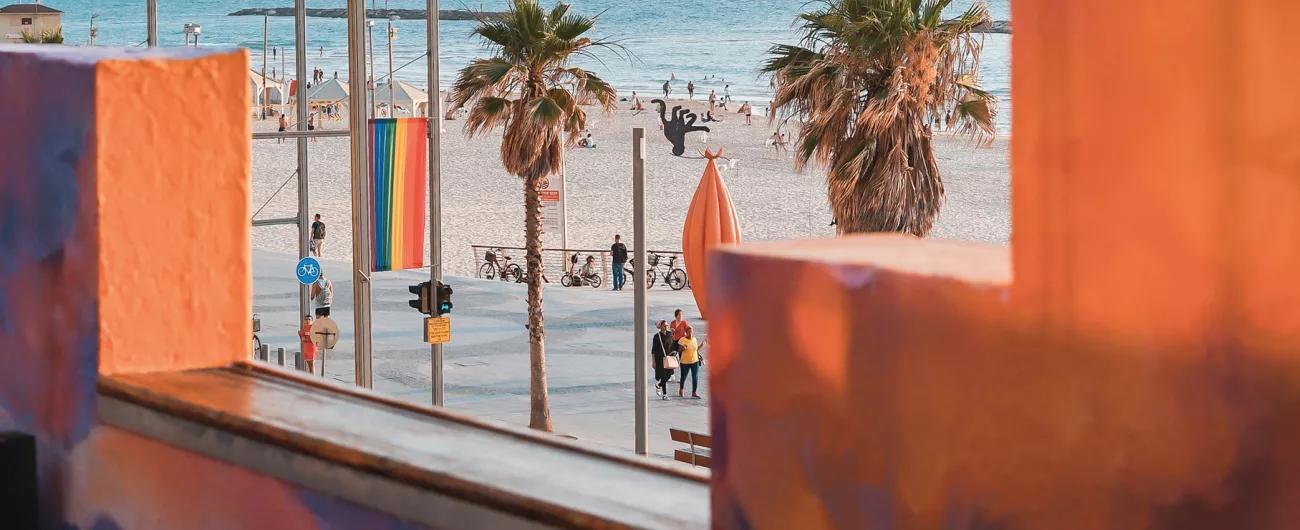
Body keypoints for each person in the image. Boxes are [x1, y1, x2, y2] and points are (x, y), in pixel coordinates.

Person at [650, 320, 676, 398]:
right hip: (660, 359)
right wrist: (653, 361)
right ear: (660, 326)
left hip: (669, 358)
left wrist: (674, 353)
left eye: (666, 325)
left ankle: (659, 385)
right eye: (664, 325)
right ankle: (665, 394)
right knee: (663, 376)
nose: (666, 326)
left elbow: (672, 345)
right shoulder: (657, 336)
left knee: (669, 375)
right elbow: (653, 350)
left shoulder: (670, 334)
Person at [677, 326, 704, 398]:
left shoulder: (694, 339)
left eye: (691, 331)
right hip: (685, 362)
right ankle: (681, 390)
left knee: (695, 377)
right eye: (689, 332)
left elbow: (696, 349)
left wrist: (701, 345)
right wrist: (683, 348)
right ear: (686, 332)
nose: (691, 333)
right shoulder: (682, 340)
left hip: (695, 361)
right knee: (683, 377)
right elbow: (679, 351)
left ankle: (694, 392)